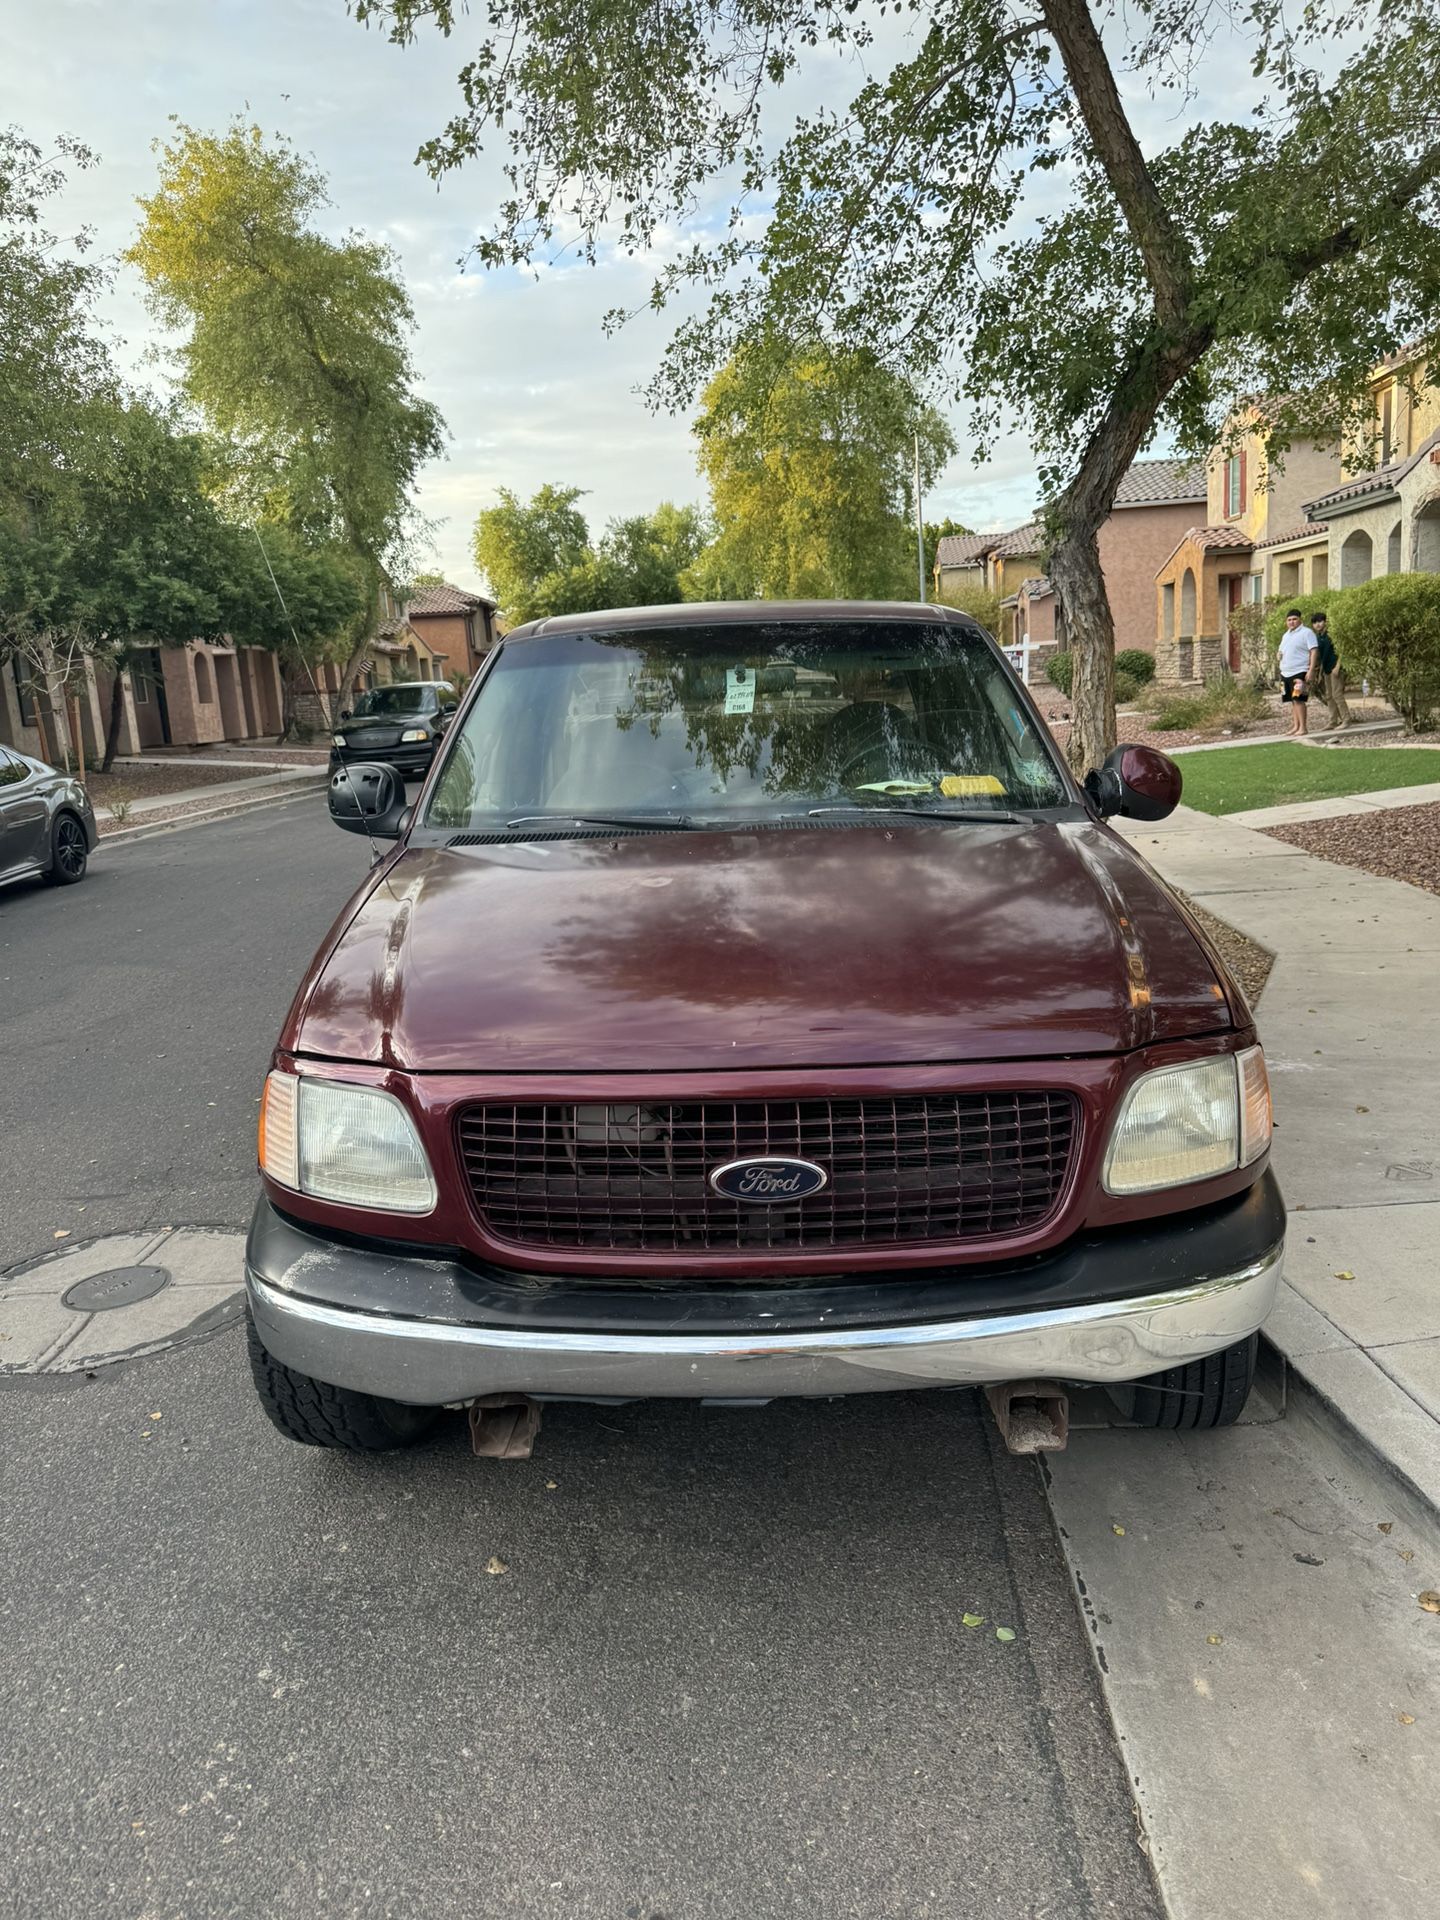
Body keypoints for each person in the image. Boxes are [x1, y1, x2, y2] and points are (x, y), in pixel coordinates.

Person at [1278, 608, 1318, 737]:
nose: (1292, 622)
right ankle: (1296, 726)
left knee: (1299, 699)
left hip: (1300, 671)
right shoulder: (1286, 635)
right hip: (1285, 672)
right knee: (1292, 700)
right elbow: (1281, 651)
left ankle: (1303, 727)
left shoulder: (1307, 633)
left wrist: (1311, 670)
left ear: (1300, 619)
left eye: (1294, 619)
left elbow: (1314, 651)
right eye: (1289, 620)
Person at [1311, 610, 1350, 729]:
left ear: (1325, 622)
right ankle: (1333, 721)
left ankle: (1346, 720)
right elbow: (1322, 657)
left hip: (1335, 668)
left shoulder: (1331, 634)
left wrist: (1338, 666)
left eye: (1320, 621)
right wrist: (1320, 673)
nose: (1318, 624)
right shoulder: (1319, 637)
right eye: (1315, 622)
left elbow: (1342, 650)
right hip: (1326, 669)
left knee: (1337, 694)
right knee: (1329, 696)